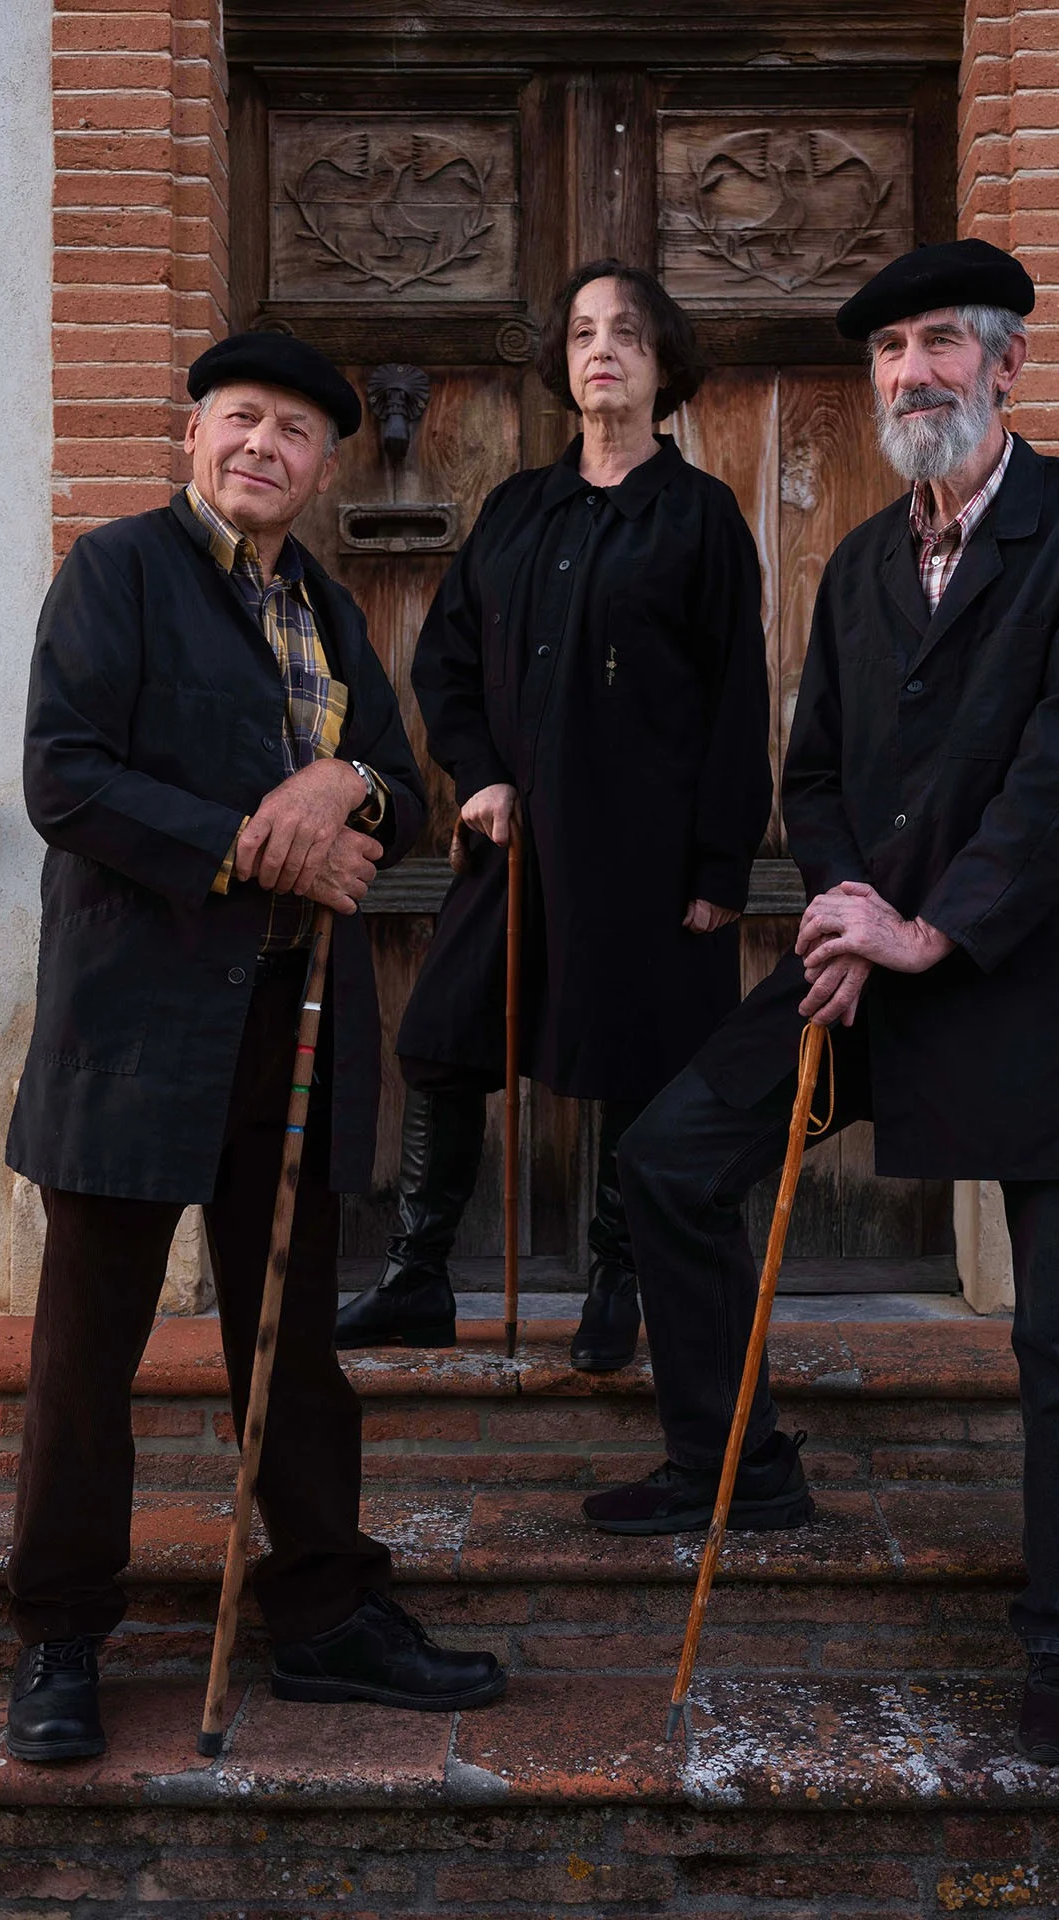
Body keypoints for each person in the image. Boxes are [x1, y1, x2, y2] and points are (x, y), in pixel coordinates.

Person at [587, 238, 1059, 1769]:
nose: (911, 373)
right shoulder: (861, 559)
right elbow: (818, 772)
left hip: (1038, 977)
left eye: (939, 342)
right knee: (669, 1159)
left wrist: (932, 928)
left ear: (1009, 365)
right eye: (889, 351)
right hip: (873, 961)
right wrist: (852, 903)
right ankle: (739, 1460)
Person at [3, 332, 506, 1764]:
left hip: (291, 1029)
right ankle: (58, 1640)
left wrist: (346, 781)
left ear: (325, 467)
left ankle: (326, 1614)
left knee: (290, 1347)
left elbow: (403, 789)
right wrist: (249, 841)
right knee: (85, 1355)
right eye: (241, 419)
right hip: (133, 1024)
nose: (263, 448)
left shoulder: (328, 610)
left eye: (294, 432)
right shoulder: (118, 572)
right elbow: (64, 776)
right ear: (194, 435)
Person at [335, 260, 772, 1373]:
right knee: (442, 1040)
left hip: (647, 854)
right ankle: (418, 1275)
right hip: (513, 845)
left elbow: (738, 700)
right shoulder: (517, 508)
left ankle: (619, 1277)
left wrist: (720, 866)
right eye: (582, 333)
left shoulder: (701, 517)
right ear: (562, 363)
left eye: (626, 332)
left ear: (664, 363)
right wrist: (478, 772)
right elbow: (446, 660)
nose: (602, 350)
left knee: (636, 1061)